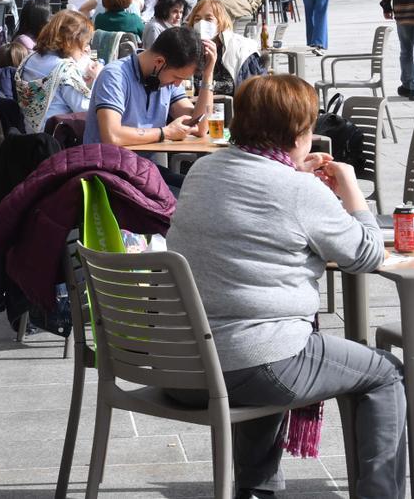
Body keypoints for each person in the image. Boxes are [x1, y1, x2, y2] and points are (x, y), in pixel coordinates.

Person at [166, 74, 401, 499]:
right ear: (298, 133)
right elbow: (367, 255)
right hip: (245, 366)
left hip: (180, 369)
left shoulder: (203, 169)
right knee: (385, 373)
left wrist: (297, 177)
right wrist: (349, 189)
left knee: (262, 338)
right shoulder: (297, 189)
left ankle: (257, 489)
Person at [83, 26, 217, 190]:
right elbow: (112, 136)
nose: (177, 84)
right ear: (159, 62)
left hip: (144, 171)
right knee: (187, 199)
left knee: (200, 191)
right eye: (177, 77)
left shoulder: (166, 79)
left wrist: (208, 76)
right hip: (111, 173)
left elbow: (200, 126)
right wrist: (165, 133)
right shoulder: (115, 75)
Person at [14, 10, 100, 132]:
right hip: (57, 139)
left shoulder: (29, 59)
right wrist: (98, 78)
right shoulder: (65, 68)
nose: (85, 49)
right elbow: (86, 110)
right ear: (72, 41)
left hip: (30, 134)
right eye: (85, 43)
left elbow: (53, 94)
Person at [186, 0, 266, 96]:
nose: (202, 23)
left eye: (208, 19)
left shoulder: (235, 47)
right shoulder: (190, 47)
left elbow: (237, 85)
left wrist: (205, 84)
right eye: (197, 19)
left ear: (220, 22)